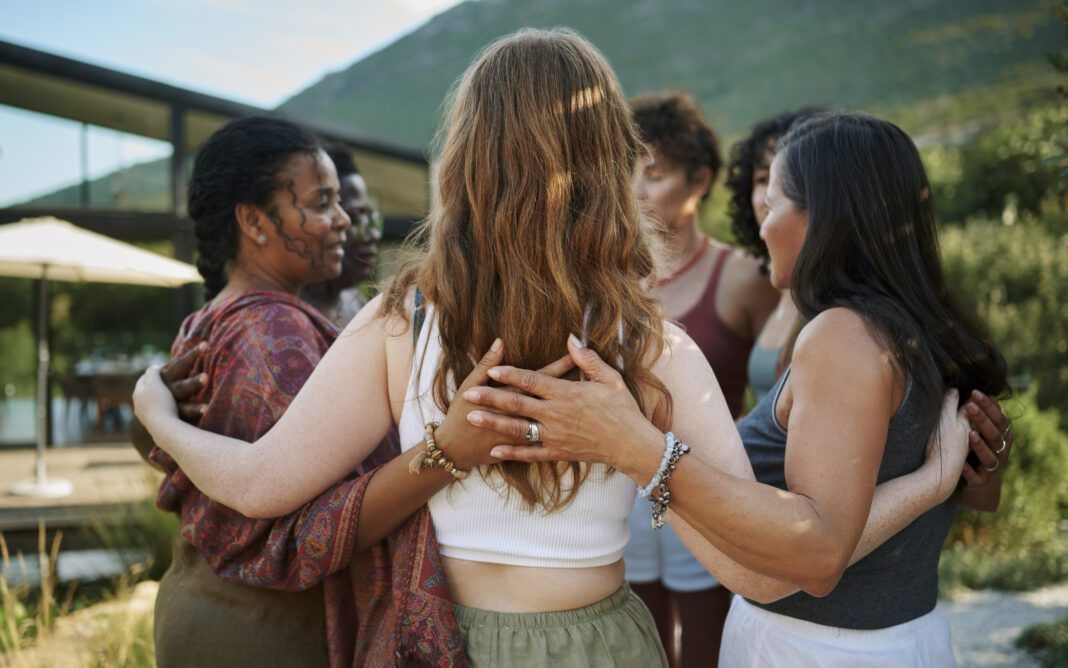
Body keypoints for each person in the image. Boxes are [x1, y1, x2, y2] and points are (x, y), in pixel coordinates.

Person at [135, 39, 998, 665]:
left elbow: (256, 485)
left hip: (438, 643)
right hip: (600, 646)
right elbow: (770, 575)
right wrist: (926, 483)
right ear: (607, 167)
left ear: (467, 161)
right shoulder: (650, 345)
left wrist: (153, 408)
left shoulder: (402, 322)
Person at [464, 112, 1013, 666]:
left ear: (821, 217)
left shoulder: (843, 335)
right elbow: (981, 494)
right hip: (906, 635)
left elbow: (820, 551)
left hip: (812, 647)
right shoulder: (925, 325)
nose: (762, 222)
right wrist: (954, 473)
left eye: (772, 204)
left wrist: (633, 447)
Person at [141, 115, 524, 667]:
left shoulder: (210, 319)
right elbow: (322, 523)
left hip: (206, 609)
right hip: (265, 634)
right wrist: (451, 451)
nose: (344, 220)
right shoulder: (274, 333)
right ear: (253, 221)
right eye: (321, 204)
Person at [627, 91, 778, 667]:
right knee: (641, 639)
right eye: (629, 173)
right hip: (623, 488)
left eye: (656, 175)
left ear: (700, 181)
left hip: (711, 483)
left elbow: (783, 382)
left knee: (707, 646)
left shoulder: (742, 277)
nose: (637, 190)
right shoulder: (609, 281)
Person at [726, 109, 820, 403]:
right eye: (762, 177)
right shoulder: (773, 284)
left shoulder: (831, 298)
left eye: (785, 178)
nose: (769, 194)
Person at [301, 144, 381, 326]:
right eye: (355, 218)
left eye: (370, 218)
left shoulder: (355, 303)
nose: (372, 236)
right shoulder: (292, 315)